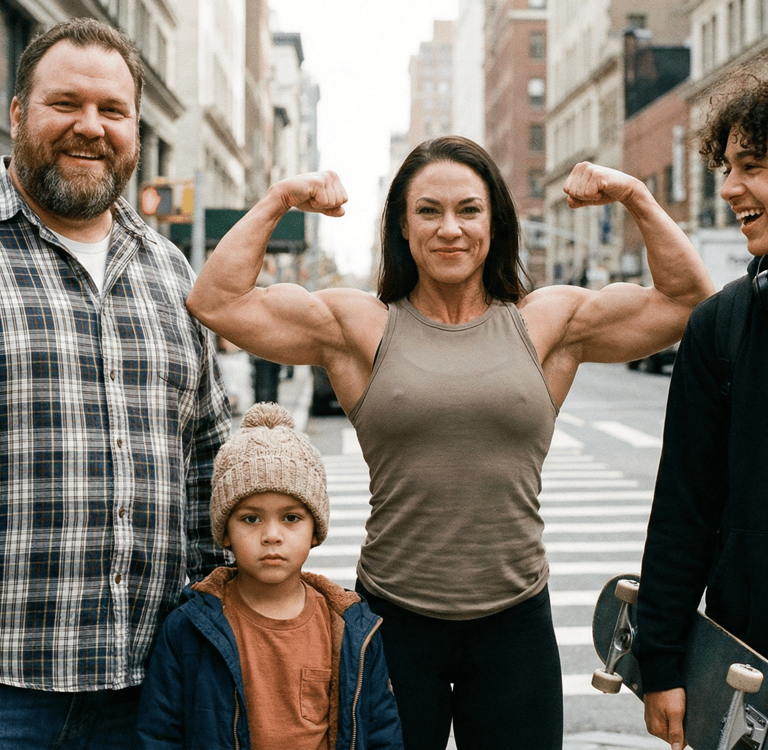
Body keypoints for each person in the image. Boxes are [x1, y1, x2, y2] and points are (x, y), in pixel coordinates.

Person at [186, 135, 714, 749]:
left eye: (469, 210)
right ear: (403, 228)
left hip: (515, 624)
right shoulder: (363, 325)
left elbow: (688, 300)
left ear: (494, 222)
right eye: (428, 211)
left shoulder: (544, 321)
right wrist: (280, 198)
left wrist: (634, 195)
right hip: (395, 621)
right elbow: (217, 300)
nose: (450, 230)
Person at [0, 18, 230, 749]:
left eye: (112, 111)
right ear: (17, 115)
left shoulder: (172, 272)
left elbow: (207, 465)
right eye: (65, 103)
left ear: (136, 126)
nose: (89, 128)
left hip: (150, 689)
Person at [136, 402, 403, 749]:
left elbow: (382, 730)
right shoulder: (189, 628)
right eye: (251, 518)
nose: (272, 535)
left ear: (315, 530)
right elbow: (159, 735)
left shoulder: (351, 627)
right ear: (225, 531)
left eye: (291, 518)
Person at [634, 64, 768, 750]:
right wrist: (660, 661)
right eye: (727, 164)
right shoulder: (720, 326)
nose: (729, 188)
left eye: (753, 164)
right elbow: (684, 506)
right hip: (752, 671)